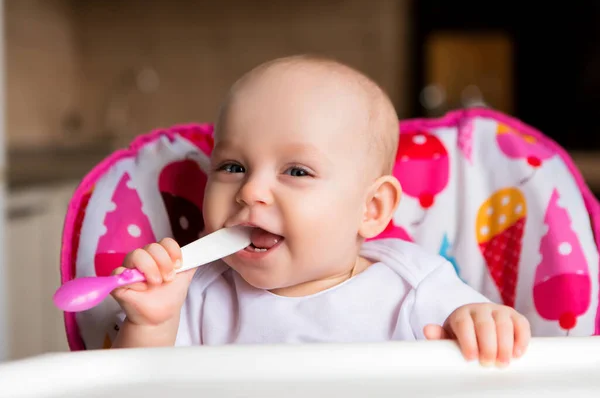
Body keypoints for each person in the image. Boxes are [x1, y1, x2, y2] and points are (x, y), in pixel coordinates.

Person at [110, 55, 531, 367]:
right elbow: (141, 386)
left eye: (296, 171)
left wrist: (483, 324)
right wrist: (150, 326)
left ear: (372, 208)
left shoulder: (414, 287)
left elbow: (490, 360)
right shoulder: (196, 294)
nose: (250, 191)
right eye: (232, 167)